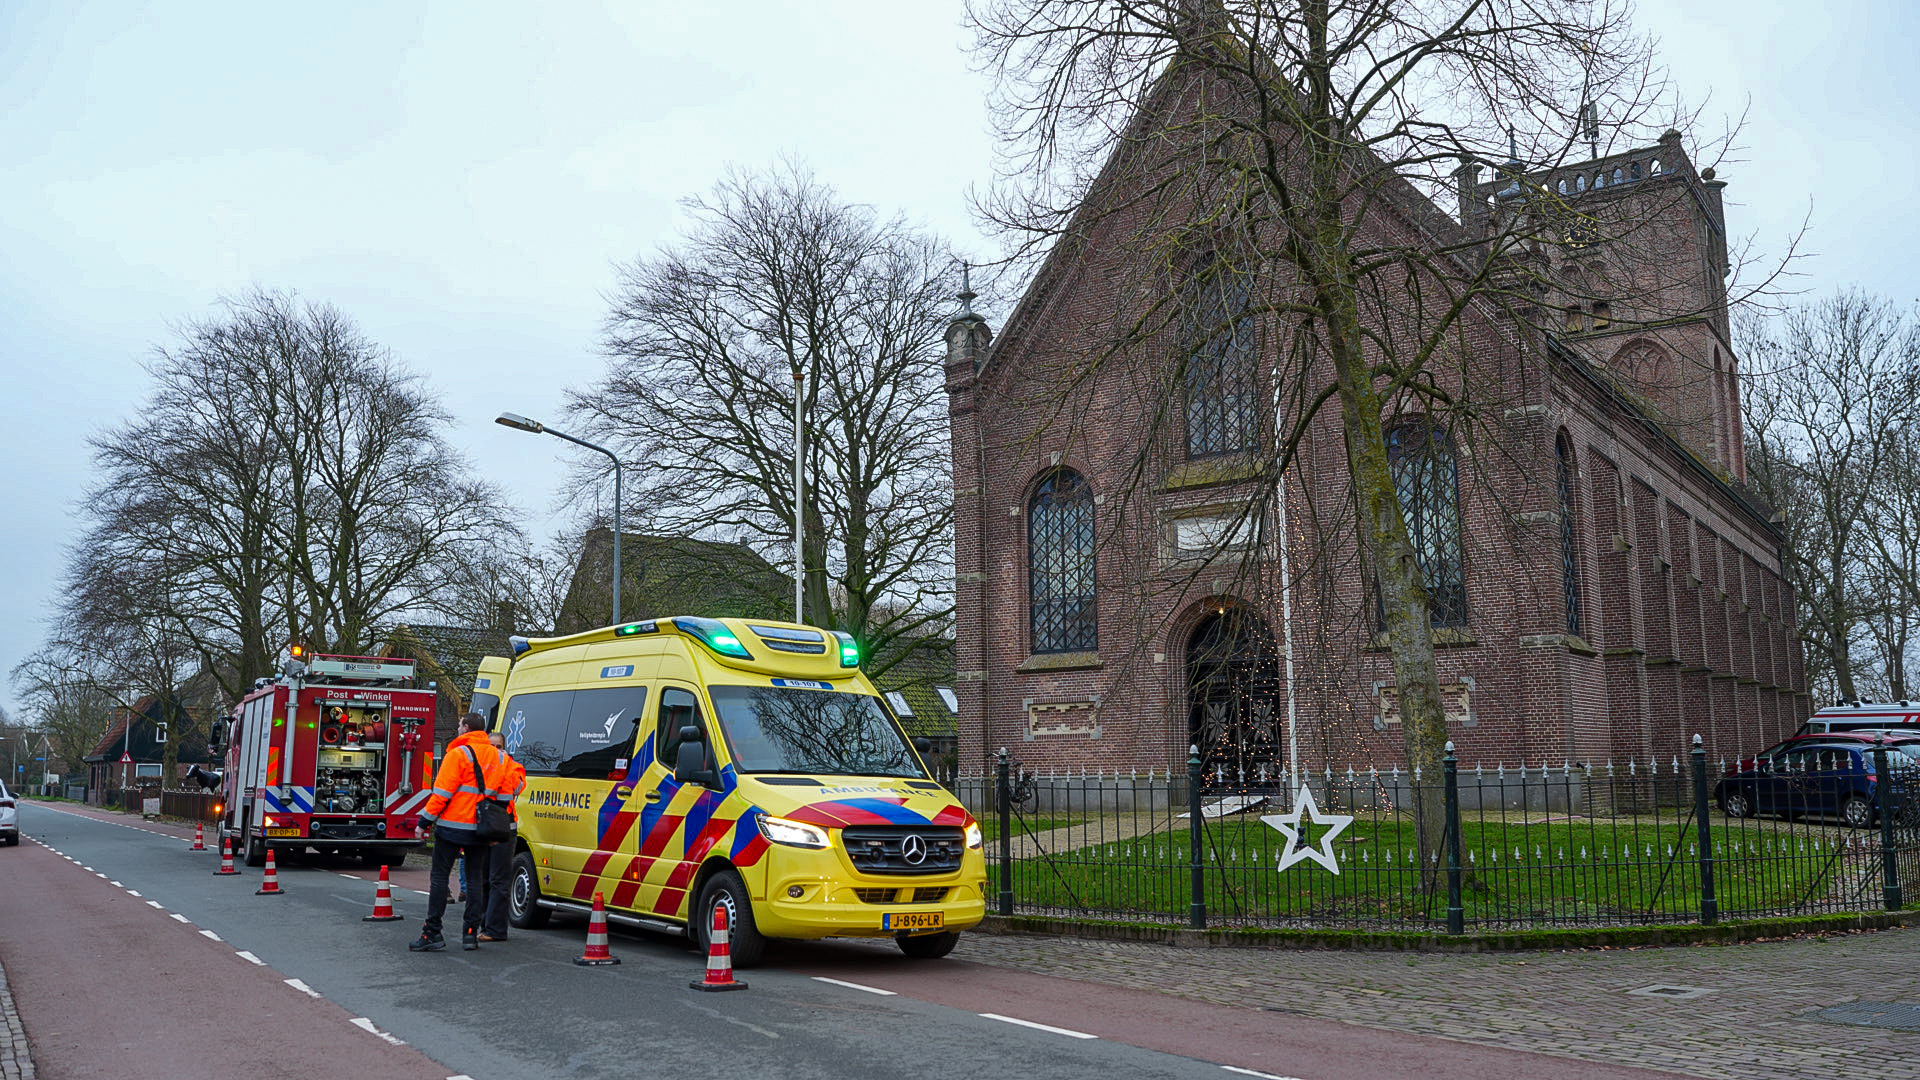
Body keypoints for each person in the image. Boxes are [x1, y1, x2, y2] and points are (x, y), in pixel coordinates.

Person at [409, 713, 502, 953]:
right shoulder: (499, 756)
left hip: (453, 826)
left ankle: (432, 932)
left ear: (466, 728)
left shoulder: (457, 754)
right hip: (482, 829)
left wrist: (424, 823)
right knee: (474, 881)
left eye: (459, 724)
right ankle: (470, 934)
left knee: (440, 877)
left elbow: (442, 793)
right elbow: (509, 792)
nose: (457, 727)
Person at [480, 729, 526, 942]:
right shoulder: (480, 766)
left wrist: (501, 763)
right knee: (482, 879)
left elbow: (517, 787)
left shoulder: (513, 766)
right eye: (491, 747)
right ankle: (483, 924)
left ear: (504, 749)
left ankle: (495, 929)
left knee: (498, 879)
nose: (494, 751)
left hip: (504, 828)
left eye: (498, 747)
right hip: (482, 827)